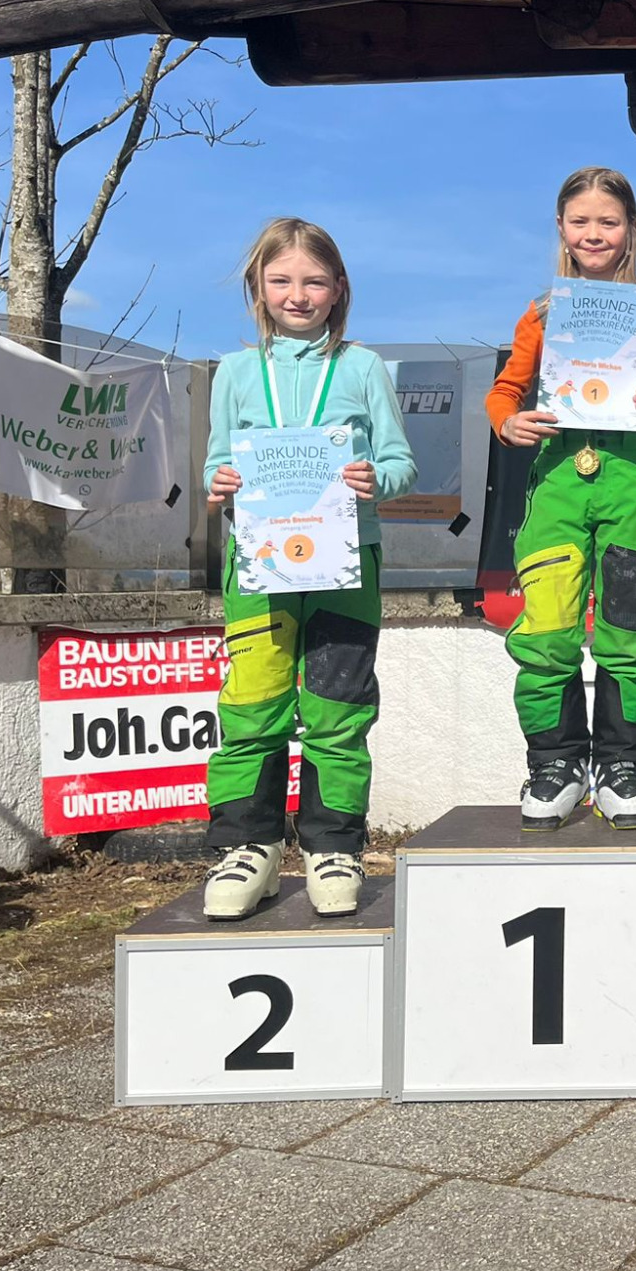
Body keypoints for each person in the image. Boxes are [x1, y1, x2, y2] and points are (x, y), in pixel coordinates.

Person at [202, 217, 417, 920]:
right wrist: (219, 484)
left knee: (338, 707)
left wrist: (375, 480)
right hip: (259, 563)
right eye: (281, 280)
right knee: (253, 704)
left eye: (314, 281)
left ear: (339, 289)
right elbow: (215, 463)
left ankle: (333, 846)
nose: (298, 295)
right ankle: (248, 847)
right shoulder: (235, 372)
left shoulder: (363, 367)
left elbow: (401, 463)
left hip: (346, 561)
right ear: (257, 288)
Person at [486, 167, 636, 831]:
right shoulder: (541, 312)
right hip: (558, 484)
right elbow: (504, 391)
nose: (593, 233)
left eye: (608, 222)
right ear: (560, 228)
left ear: (630, 229)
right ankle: (555, 764)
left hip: (631, 484)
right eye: (580, 221)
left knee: (628, 632)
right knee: (546, 631)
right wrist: (508, 423)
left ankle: (622, 766)